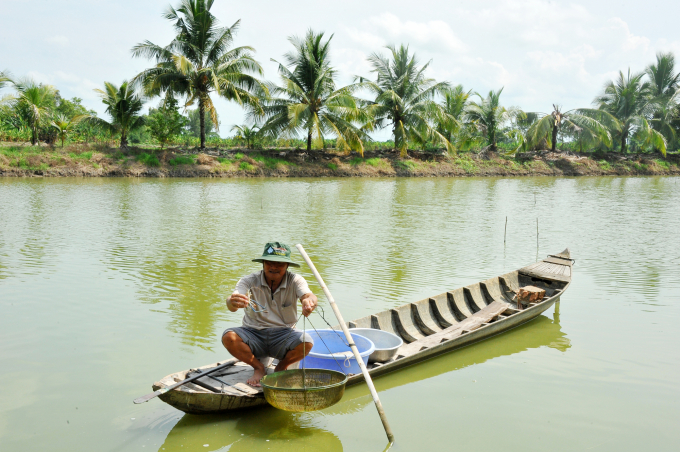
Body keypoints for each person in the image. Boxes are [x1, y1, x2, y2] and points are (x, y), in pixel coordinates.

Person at [222, 242, 318, 387]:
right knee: (228, 336)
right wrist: (232, 301)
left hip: (284, 335)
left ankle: (281, 366)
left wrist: (309, 302)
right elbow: (233, 302)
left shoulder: (295, 280)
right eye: (269, 262)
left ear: (287, 266)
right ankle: (258, 367)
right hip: (253, 333)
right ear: (263, 263)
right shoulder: (249, 280)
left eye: (279, 263)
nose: (274, 267)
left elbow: (309, 295)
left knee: (307, 341)